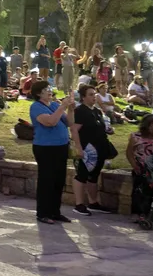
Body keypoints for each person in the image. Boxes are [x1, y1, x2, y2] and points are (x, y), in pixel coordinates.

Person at [29, 81, 75, 225]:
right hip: (45, 148)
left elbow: (69, 123)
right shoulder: (36, 107)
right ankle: (43, 213)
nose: (49, 91)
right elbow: (50, 122)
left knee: (58, 180)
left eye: (49, 88)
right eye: (45, 90)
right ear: (38, 93)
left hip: (60, 147)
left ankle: (55, 211)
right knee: (46, 180)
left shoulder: (54, 105)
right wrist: (62, 106)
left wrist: (71, 109)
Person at [70, 85, 114, 216]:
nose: (94, 97)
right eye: (90, 94)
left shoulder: (97, 111)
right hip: (87, 150)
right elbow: (74, 130)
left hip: (99, 148)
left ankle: (93, 203)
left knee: (93, 176)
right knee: (82, 175)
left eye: (94, 94)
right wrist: (78, 147)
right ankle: (79, 204)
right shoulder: (80, 111)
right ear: (83, 97)